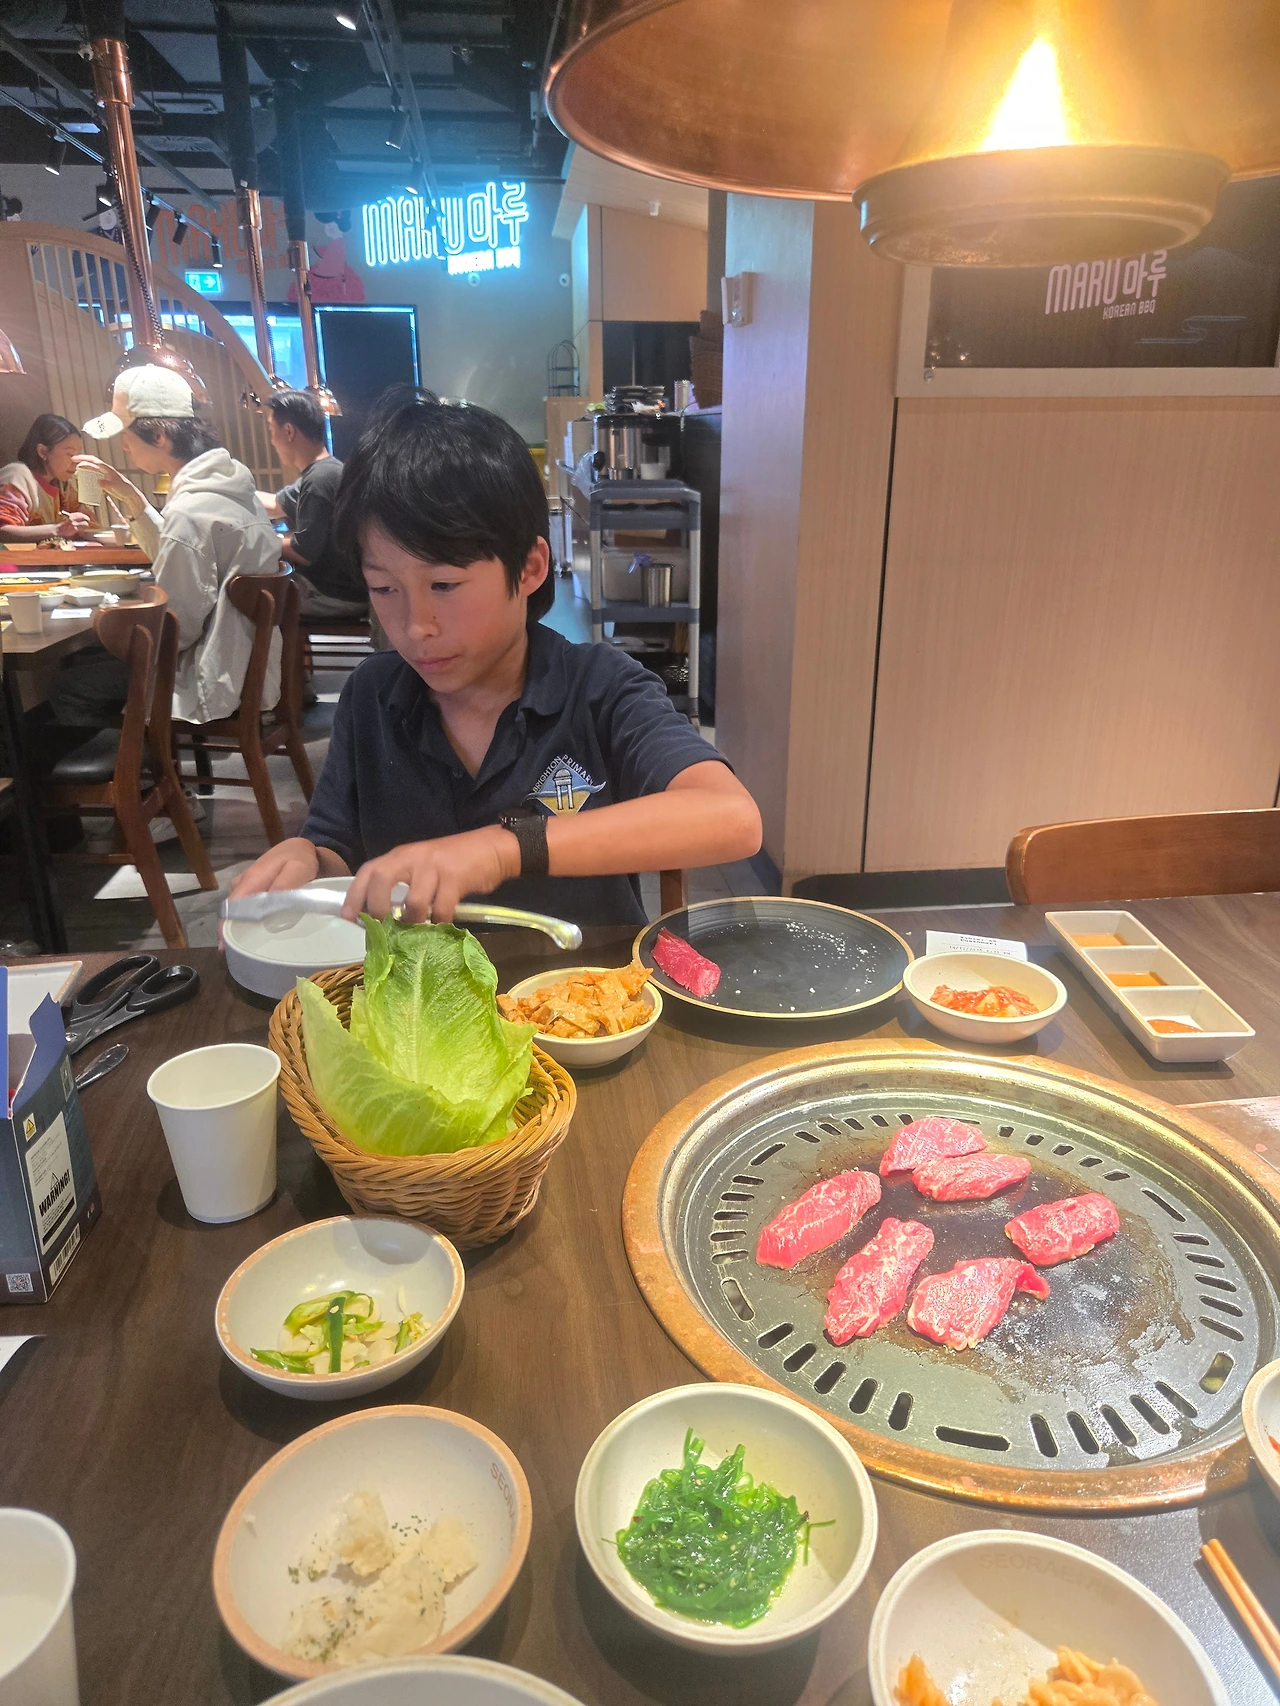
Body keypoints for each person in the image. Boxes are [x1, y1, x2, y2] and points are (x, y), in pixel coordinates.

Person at [228, 388, 761, 928]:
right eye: (384, 588)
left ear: (529, 569)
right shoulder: (372, 696)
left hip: (584, 977)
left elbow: (732, 817)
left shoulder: (597, 687)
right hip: (421, 980)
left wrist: (506, 848)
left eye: (444, 585)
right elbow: (335, 846)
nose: (415, 626)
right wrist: (307, 858)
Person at [46, 364, 283, 729]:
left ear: (159, 436)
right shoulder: (234, 490)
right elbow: (186, 552)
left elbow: (176, 629)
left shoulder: (189, 511)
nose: (122, 444)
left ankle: (138, 763)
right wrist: (131, 497)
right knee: (96, 663)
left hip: (209, 678)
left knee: (68, 686)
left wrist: (112, 625)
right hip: (251, 670)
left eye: (126, 434)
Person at [255, 389, 367, 618]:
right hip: (341, 589)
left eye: (272, 430)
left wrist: (261, 539)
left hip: (335, 595)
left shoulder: (320, 479)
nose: (272, 441)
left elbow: (303, 551)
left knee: (251, 602)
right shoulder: (325, 469)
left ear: (289, 431)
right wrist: (230, 490)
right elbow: (275, 504)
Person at [0, 415, 94, 543]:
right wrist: (58, 530)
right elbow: (3, 531)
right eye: (70, 454)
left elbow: (88, 525)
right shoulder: (17, 477)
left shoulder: (62, 484)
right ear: (43, 451)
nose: (76, 461)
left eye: (78, 455)